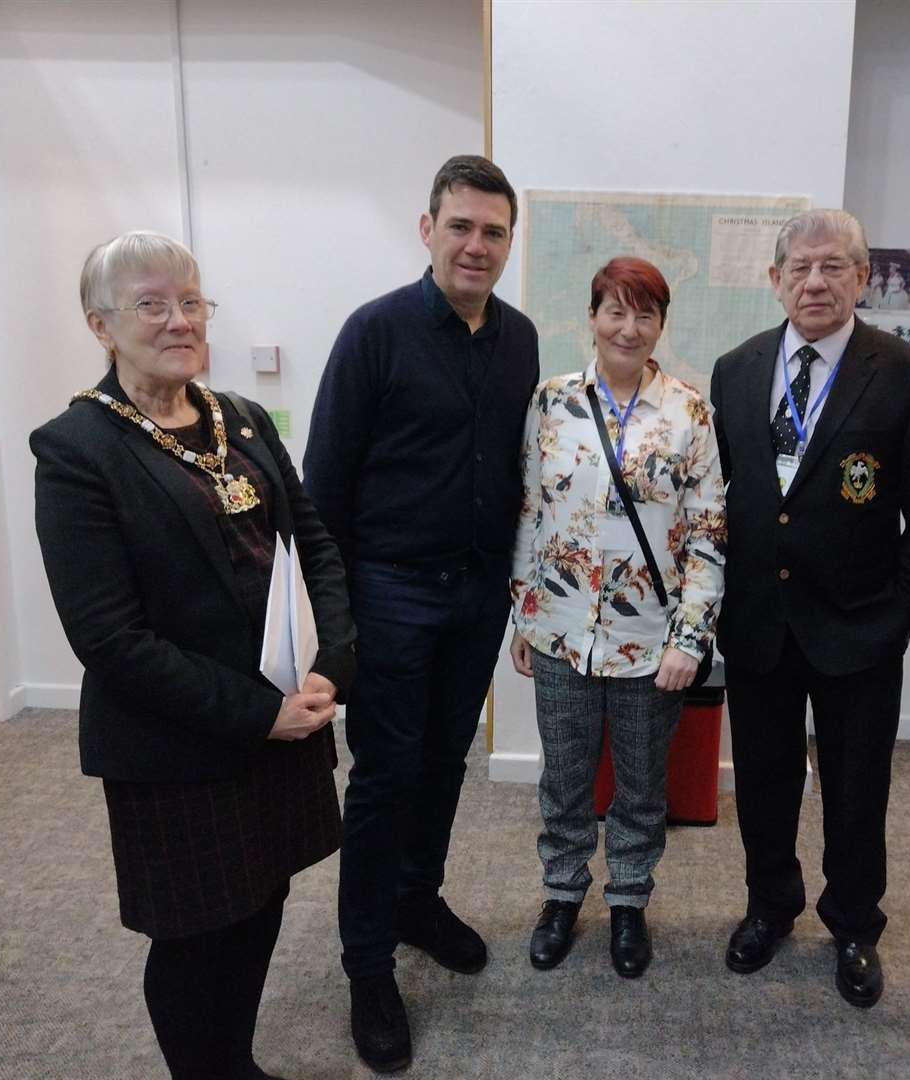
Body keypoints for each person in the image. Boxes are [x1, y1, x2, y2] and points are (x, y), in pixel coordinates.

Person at [32, 231, 355, 1080]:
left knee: (261, 900)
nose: (179, 320)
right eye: (152, 304)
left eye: (191, 301)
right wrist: (261, 714)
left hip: (284, 721)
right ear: (100, 324)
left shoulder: (238, 417)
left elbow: (312, 541)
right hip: (179, 747)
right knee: (194, 931)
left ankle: (235, 1064)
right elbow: (107, 636)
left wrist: (332, 664)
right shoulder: (76, 450)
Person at [303, 155, 539, 1073]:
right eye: (462, 227)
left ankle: (416, 899)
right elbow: (325, 487)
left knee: (446, 761)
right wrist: (341, 624)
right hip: (393, 592)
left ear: (508, 242)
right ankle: (367, 966)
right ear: (428, 227)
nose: (476, 245)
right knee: (385, 777)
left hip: (478, 592)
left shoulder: (516, 339)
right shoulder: (376, 333)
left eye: (493, 232)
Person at [709, 209, 910, 1007]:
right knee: (764, 783)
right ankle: (770, 906)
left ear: (860, 276)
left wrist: (903, 618)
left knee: (857, 791)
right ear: (775, 278)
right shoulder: (736, 368)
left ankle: (853, 923)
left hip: (859, 628)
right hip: (757, 624)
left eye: (833, 266)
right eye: (800, 267)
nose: (814, 281)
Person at [508, 256, 725, 979]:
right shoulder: (551, 402)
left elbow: (708, 534)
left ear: (661, 325)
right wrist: (523, 613)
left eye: (646, 314)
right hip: (562, 633)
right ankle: (563, 893)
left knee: (640, 784)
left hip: (651, 643)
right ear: (592, 317)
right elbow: (531, 513)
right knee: (564, 779)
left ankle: (629, 900)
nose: (628, 328)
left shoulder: (689, 412)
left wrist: (690, 638)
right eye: (615, 311)